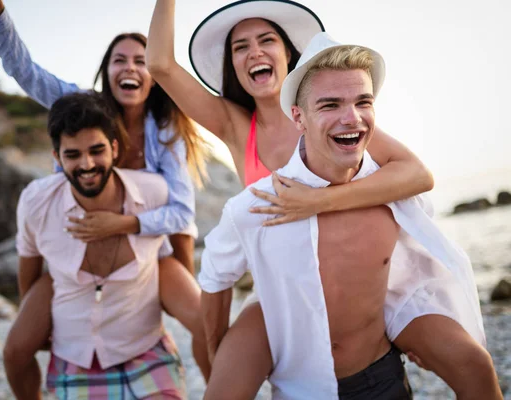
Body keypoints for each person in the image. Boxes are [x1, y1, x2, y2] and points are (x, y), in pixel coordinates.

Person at [146, 0, 431, 391]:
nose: (255, 52)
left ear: (288, 55)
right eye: (240, 47)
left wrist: (319, 201)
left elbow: (417, 174)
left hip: (354, 293)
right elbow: (160, 64)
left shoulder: (327, 116)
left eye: (267, 40)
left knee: (470, 363)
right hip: (281, 294)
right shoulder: (234, 126)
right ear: (233, 66)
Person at [199, 33, 502, 399]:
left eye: (363, 102)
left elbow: (413, 269)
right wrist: (217, 351)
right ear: (298, 117)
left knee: (478, 365)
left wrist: (420, 327)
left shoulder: (393, 195)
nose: (352, 118)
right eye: (330, 105)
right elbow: (215, 276)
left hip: (381, 377)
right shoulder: (259, 205)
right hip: (303, 387)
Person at [0, 1, 210, 398]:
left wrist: (125, 224)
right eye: (119, 60)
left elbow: (180, 212)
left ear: (153, 75)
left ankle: (204, 373)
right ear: (106, 71)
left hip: (154, 227)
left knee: (203, 318)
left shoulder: (166, 128)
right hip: (82, 231)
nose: (130, 68)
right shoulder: (80, 109)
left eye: (141, 60)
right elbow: (24, 70)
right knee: (23, 340)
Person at [17, 92, 186, 398]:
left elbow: (181, 226)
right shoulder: (36, 202)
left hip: (145, 349)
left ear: (114, 148)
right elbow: (28, 271)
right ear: (56, 157)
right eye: (72, 155)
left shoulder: (153, 194)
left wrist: (179, 293)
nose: (87, 164)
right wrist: (35, 323)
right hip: (75, 356)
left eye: (97, 150)